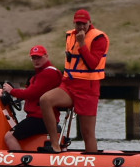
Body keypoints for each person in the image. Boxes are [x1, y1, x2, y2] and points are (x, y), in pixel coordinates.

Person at [38, 8, 109, 153]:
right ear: (74, 23)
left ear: (90, 22)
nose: (81, 27)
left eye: (84, 23)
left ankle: (92, 163)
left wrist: (82, 44)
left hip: (88, 88)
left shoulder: (99, 38)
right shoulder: (70, 35)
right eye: (78, 24)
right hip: (69, 84)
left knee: (87, 133)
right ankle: (54, 144)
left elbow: (92, 63)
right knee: (45, 100)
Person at [1, 45, 62, 150]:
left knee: (9, 137)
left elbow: (30, 93)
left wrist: (12, 91)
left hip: (40, 119)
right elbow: (33, 92)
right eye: (34, 58)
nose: (36, 61)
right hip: (42, 118)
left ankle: (19, 164)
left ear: (46, 56)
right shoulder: (43, 74)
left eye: (39, 57)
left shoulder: (48, 73)